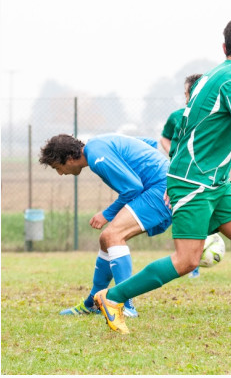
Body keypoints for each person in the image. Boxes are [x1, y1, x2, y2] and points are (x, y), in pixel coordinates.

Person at [92, 18, 231, 335]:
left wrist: (173, 175)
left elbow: (185, 129)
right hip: (196, 183)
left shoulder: (210, 78)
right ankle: (112, 297)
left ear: (224, 47)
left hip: (213, 182)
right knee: (187, 260)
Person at [39, 133, 172, 318]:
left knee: (113, 236)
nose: (60, 173)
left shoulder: (96, 157)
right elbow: (148, 142)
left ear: (69, 158)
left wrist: (106, 214)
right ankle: (93, 302)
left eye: (58, 167)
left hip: (160, 189)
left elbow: (133, 187)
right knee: (106, 239)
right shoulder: (96, 145)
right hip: (160, 186)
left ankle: (126, 305)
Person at [160, 73, 203, 278]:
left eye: (188, 93)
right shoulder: (177, 116)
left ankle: (196, 256)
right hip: (181, 176)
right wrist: (175, 157)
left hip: (206, 178)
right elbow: (164, 138)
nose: (186, 97)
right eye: (185, 93)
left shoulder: (211, 116)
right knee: (182, 215)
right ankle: (189, 262)